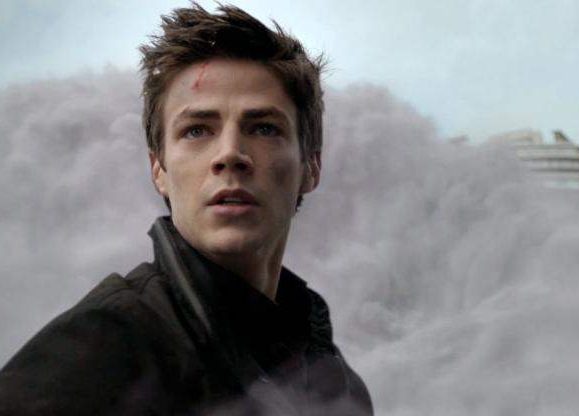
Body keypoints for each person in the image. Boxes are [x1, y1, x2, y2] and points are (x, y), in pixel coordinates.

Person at [0, 3, 373, 415]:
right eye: (196, 130)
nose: (230, 154)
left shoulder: (339, 387)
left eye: (264, 128)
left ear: (311, 167)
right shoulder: (103, 348)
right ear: (158, 170)